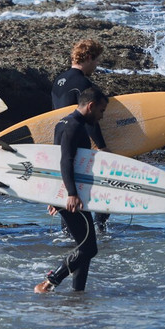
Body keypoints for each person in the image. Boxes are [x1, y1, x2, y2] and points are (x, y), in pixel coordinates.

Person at [34, 86, 110, 294]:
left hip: (67, 191)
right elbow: (65, 161)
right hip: (71, 194)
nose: (102, 116)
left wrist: (55, 194)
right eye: (101, 110)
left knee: (84, 246)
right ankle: (49, 283)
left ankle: (78, 293)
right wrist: (71, 194)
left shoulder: (65, 122)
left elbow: (55, 160)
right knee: (89, 248)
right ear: (91, 106)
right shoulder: (74, 126)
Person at [52, 38, 110, 231]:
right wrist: (102, 146)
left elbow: (54, 114)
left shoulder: (58, 81)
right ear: (89, 57)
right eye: (96, 60)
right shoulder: (83, 82)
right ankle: (100, 229)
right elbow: (89, 116)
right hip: (78, 136)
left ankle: (67, 234)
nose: (96, 65)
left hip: (61, 133)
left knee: (68, 184)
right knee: (98, 184)